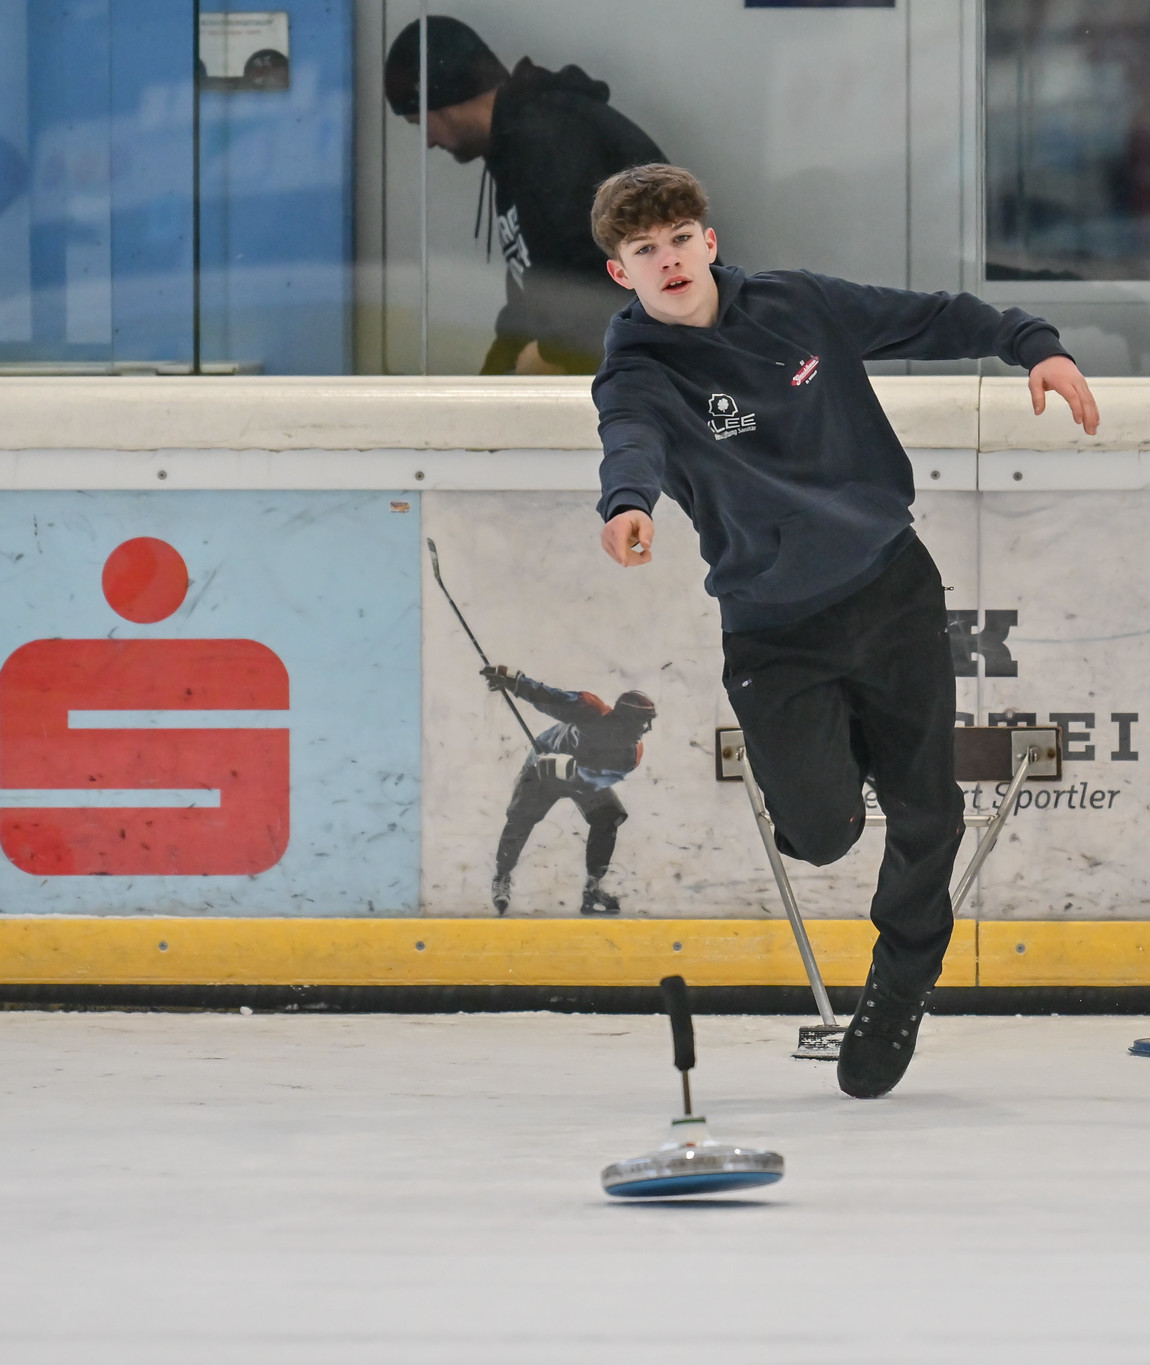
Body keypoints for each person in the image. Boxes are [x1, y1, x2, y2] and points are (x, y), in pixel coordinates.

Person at [588, 164, 1099, 1099]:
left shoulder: (798, 305)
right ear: (622, 273)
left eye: (679, 240)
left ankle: (900, 987)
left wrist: (1034, 346)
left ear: (709, 240)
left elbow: (938, 316)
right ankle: (832, 770)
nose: (667, 262)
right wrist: (628, 504)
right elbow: (633, 441)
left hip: (889, 588)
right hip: (774, 628)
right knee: (820, 832)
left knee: (929, 808)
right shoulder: (637, 370)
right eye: (643, 251)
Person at [385, 17, 665, 375]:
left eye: (421, 123)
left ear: (444, 99)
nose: (428, 141)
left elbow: (601, 281)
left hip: (635, 382)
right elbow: (531, 292)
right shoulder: (515, 143)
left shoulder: (552, 139)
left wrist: (548, 356)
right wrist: (491, 384)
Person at [481, 664, 655, 916]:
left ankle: (593, 887)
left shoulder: (631, 754)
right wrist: (513, 682)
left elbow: (598, 779)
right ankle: (502, 874)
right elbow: (549, 698)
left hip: (580, 777)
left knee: (609, 815)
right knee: (521, 818)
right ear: (624, 719)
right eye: (642, 722)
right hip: (542, 771)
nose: (646, 730)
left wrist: (571, 770)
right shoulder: (589, 708)